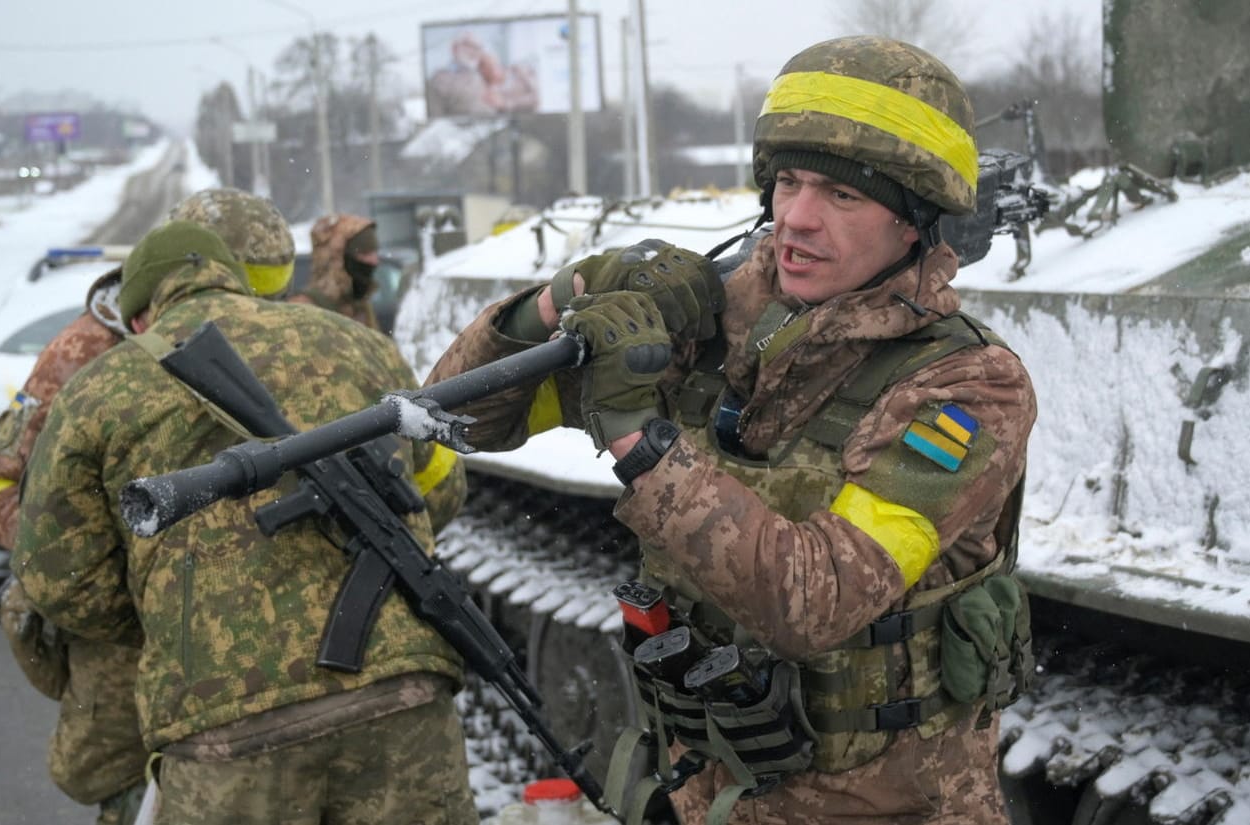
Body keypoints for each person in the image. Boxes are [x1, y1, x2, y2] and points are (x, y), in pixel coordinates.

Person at [426, 36, 1035, 825]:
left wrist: (636, 439)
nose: (798, 219)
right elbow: (458, 413)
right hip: (704, 795)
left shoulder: (964, 386)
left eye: (842, 197)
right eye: (788, 183)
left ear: (913, 223)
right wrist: (563, 297)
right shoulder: (711, 326)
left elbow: (817, 600)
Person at [11, 220, 476, 825]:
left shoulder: (96, 390)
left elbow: (54, 576)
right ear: (237, 282)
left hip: (223, 726)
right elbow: (437, 492)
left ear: (141, 317)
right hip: (401, 694)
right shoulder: (360, 343)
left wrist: (173, 617)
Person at [0, 187, 301, 825]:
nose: (258, 312)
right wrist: (132, 592)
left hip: (245, 616)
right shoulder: (83, 355)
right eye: (250, 290)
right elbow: (7, 496)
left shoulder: (273, 336)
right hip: (129, 624)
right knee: (123, 775)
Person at [289, 213, 382, 330]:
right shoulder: (303, 309)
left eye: (374, 253)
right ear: (338, 260)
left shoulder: (360, 306)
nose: (374, 261)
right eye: (364, 254)